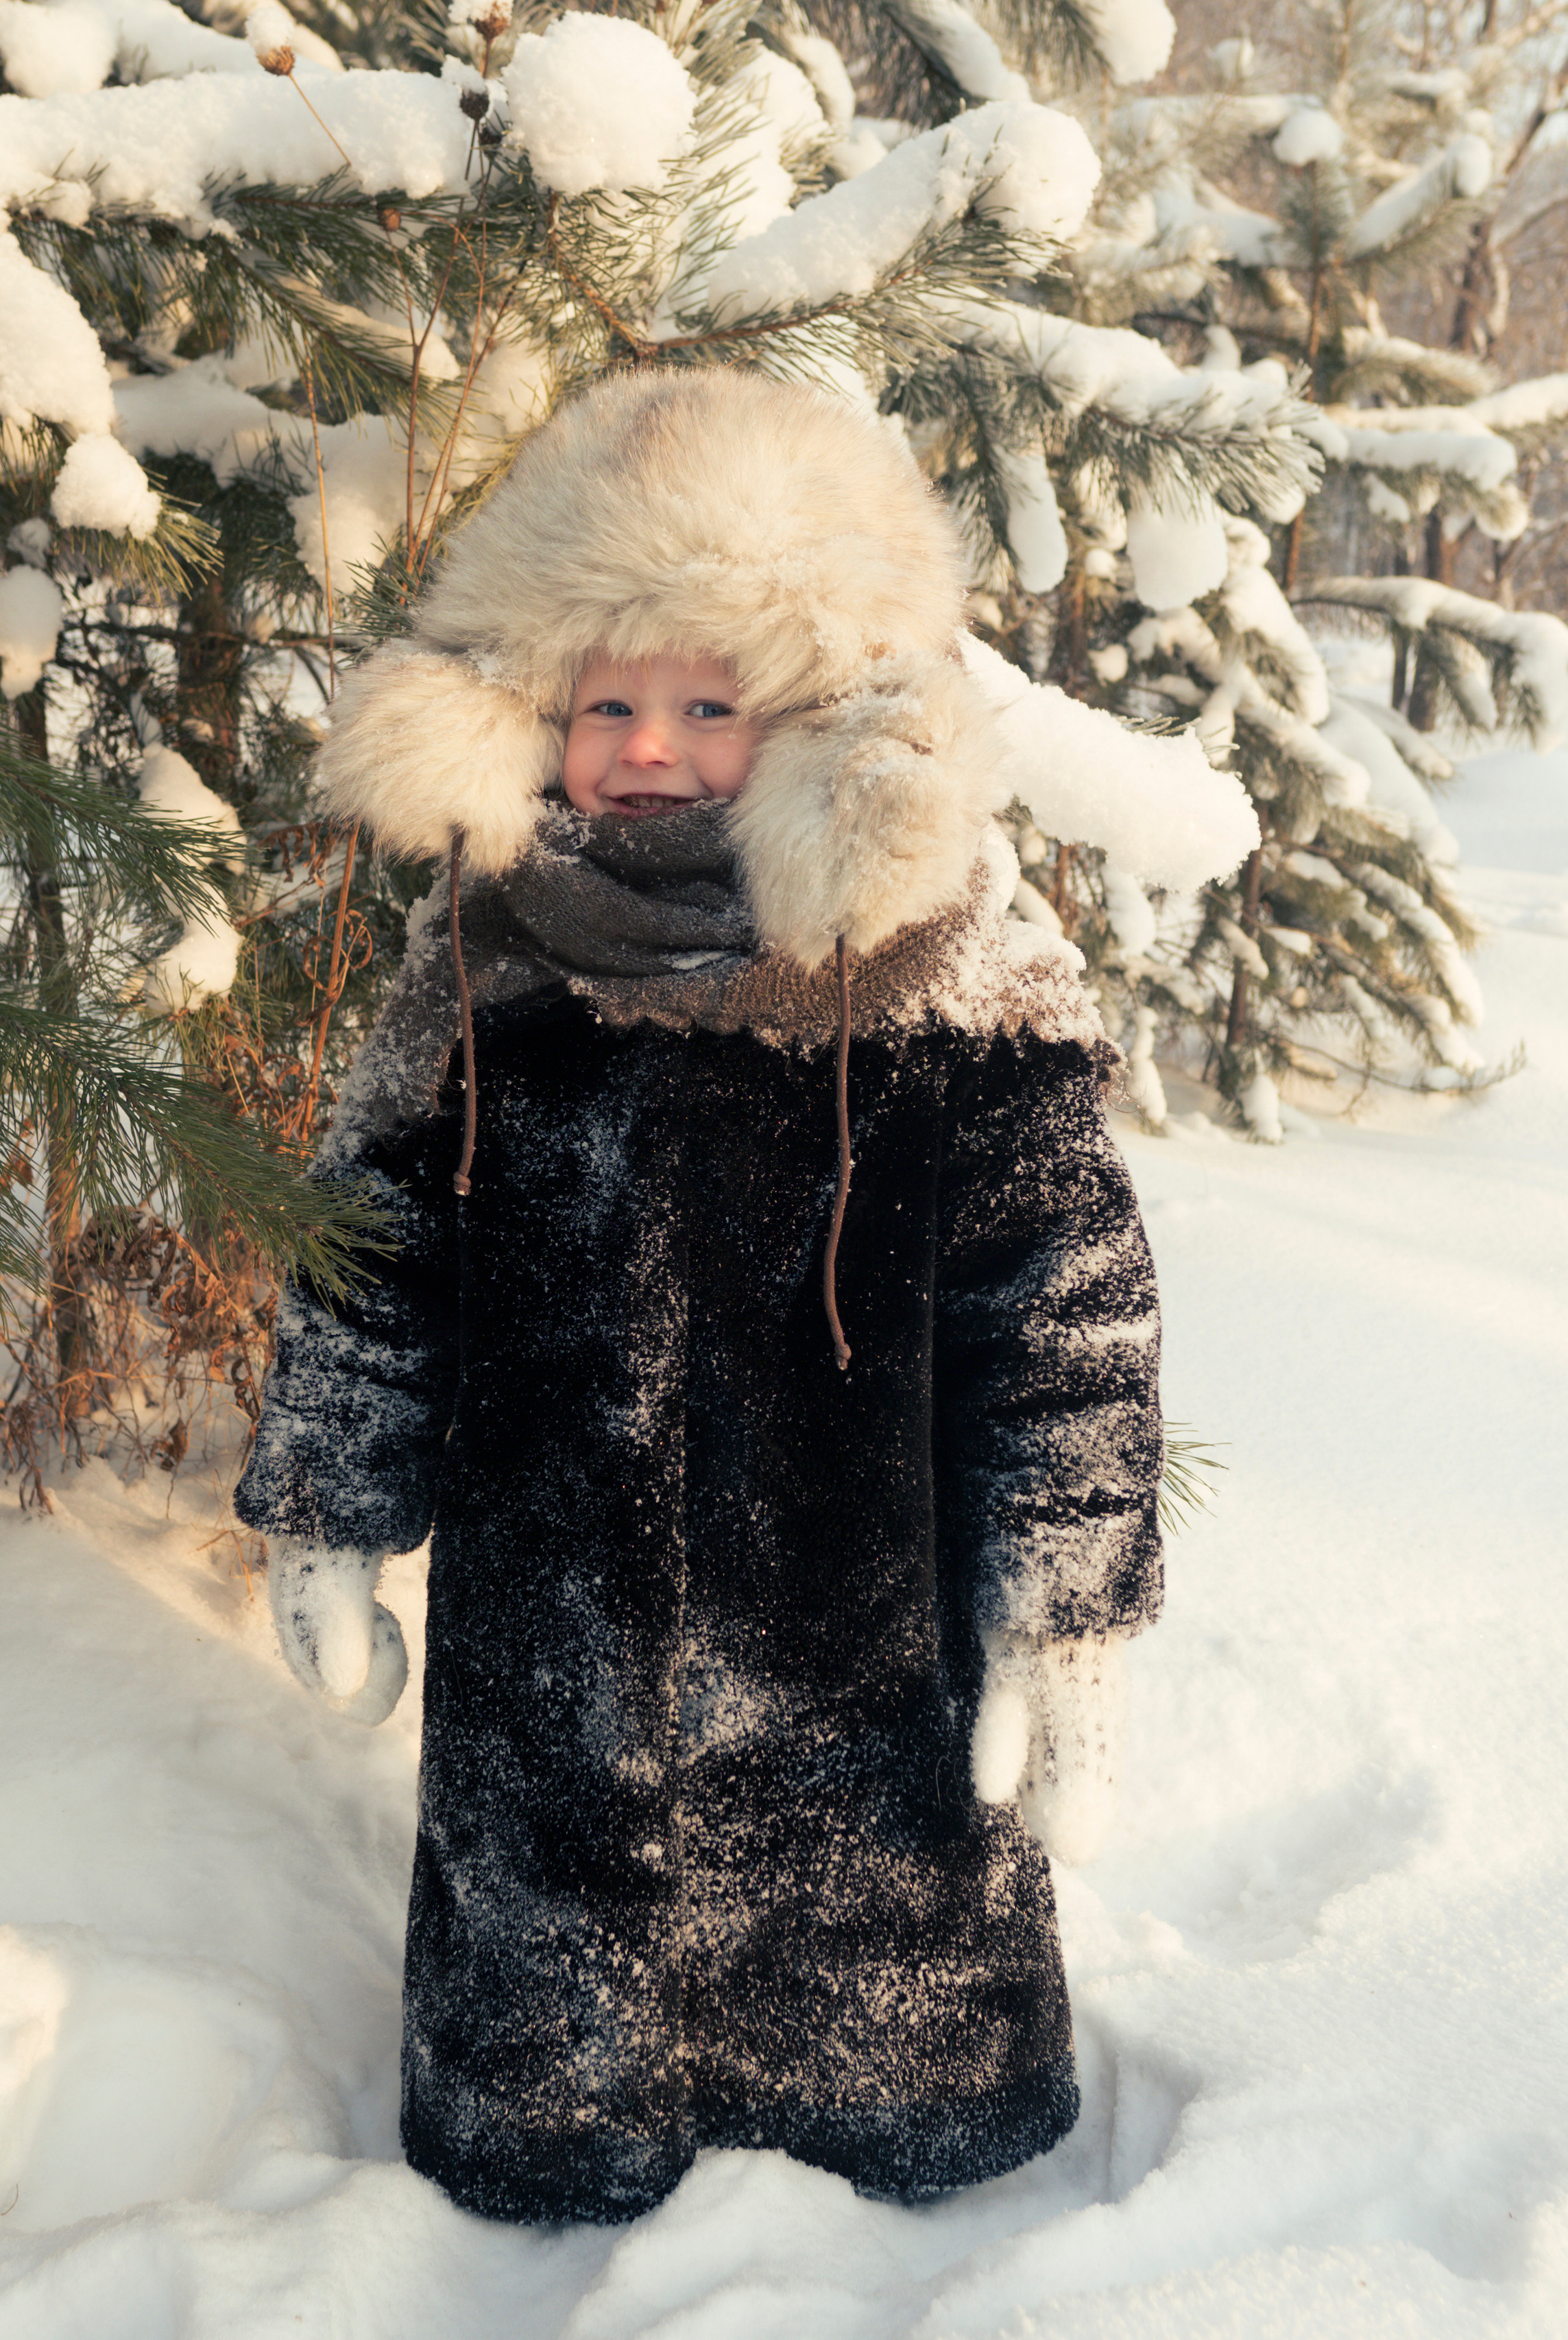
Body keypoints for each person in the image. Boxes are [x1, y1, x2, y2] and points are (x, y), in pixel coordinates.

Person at [236, 365, 1163, 2226]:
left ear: (825, 703)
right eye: (606, 701)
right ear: (535, 705)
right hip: (550, 1645)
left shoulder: (944, 967)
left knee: (882, 1994)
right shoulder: (490, 955)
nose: (646, 748)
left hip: (861, 1640)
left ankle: (894, 2150)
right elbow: (376, 1256)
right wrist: (331, 1507)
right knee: (547, 2029)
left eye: (709, 702)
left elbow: (1065, 1315)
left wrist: (1065, 1615)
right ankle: (554, 2136)